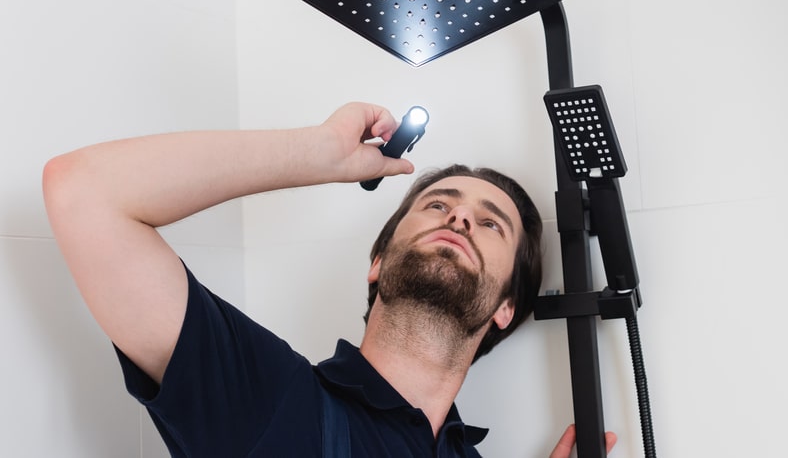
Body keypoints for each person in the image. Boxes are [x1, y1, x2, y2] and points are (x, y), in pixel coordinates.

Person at [43, 101, 616, 457]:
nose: (460, 217)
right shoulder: (269, 400)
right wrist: (318, 153)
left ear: (506, 308)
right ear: (378, 264)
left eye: (490, 224)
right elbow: (84, 192)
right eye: (438, 205)